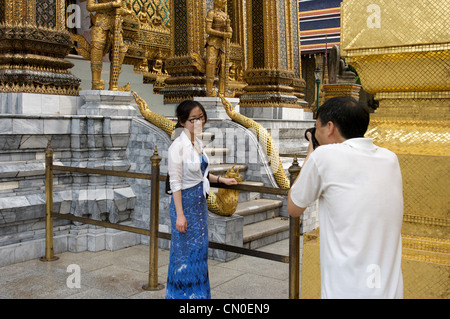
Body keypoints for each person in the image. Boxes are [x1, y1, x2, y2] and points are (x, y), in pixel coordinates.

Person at [287, 97, 404, 299]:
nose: (316, 134)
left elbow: (293, 207)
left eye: (317, 128)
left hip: (346, 290)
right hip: (388, 290)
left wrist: (311, 149)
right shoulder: (390, 158)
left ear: (330, 127)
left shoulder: (323, 156)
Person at [166, 100, 238, 299]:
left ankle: (199, 297)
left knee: (199, 254)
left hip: (199, 206)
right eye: (193, 119)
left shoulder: (196, 143)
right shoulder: (177, 147)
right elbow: (176, 184)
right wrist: (180, 215)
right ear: (182, 122)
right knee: (182, 255)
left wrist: (221, 180)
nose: (198, 123)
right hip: (185, 205)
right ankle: (180, 297)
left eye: (201, 118)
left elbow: (202, 174)